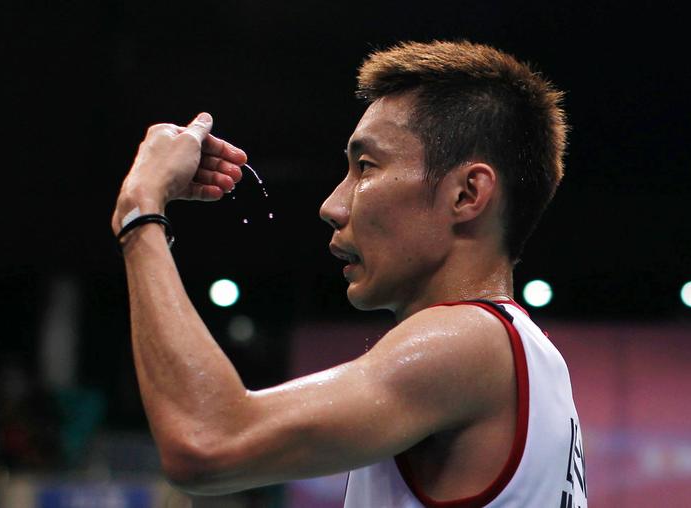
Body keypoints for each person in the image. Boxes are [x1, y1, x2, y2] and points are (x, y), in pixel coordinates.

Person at [111, 40, 587, 507]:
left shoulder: (465, 342)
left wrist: (140, 211)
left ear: (467, 194)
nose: (332, 206)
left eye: (365, 166)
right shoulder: (538, 364)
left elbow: (207, 440)